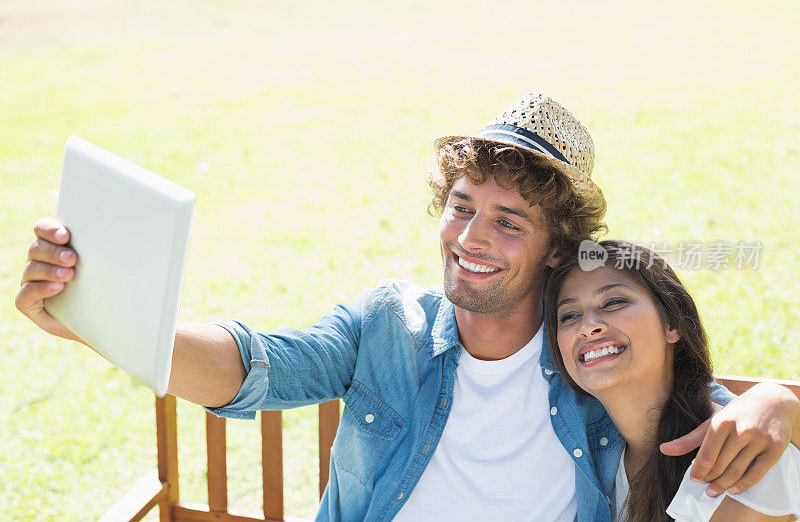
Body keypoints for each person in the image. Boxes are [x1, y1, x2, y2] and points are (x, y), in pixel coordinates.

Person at [15, 92, 800, 521]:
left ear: (557, 249)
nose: (470, 237)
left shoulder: (592, 361)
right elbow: (258, 365)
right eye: (462, 206)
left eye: (508, 220)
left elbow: (705, 421)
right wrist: (98, 316)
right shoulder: (389, 325)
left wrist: (780, 403)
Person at [545, 240, 800, 521]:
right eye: (569, 316)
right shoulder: (600, 461)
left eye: (613, 302)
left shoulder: (739, 453)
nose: (588, 326)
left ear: (672, 324)